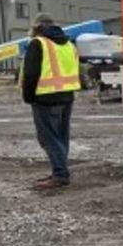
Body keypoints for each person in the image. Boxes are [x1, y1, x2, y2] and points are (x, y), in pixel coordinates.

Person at [20, 14, 80, 190]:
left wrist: (28, 96)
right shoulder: (69, 44)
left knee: (49, 138)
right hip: (67, 96)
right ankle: (59, 171)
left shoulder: (38, 44)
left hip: (45, 98)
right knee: (61, 137)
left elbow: (31, 74)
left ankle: (60, 174)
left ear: (37, 28)